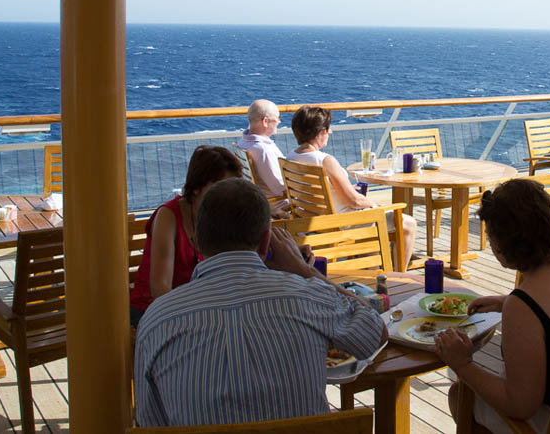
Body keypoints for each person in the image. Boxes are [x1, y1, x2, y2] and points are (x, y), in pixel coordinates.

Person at [134, 178, 386, 427]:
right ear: (266, 241)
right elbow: (375, 332)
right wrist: (303, 270)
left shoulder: (158, 319)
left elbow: (151, 422)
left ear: (198, 240)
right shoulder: (308, 296)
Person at [434, 179, 550, 434]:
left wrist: (462, 364)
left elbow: (520, 405)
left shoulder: (524, 306)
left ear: (504, 241)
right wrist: (505, 302)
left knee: (460, 395)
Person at [129, 145, 242, 327]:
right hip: (153, 311)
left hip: (198, 307)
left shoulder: (222, 215)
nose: (227, 195)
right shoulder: (168, 216)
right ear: (197, 187)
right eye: (220, 187)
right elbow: (159, 287)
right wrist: (200, 313)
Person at [287, 105, 417, 259]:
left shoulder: (290, 157)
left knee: (372, 213)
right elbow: (354, 201)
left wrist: (347, 190)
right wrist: (374, 205)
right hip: (340, 222)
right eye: (328, 129)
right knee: (408, 222)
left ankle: (373, 266)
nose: (330, 132)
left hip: (312, 219)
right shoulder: (325, 160)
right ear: (321, 132)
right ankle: (398, 275)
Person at [236, 99, 290, 217]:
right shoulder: (263, 150)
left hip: (260, 201)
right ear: (265, 121)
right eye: (277, 118)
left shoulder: (243, 143)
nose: (279, 122)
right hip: (279, 208)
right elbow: (280, 188)